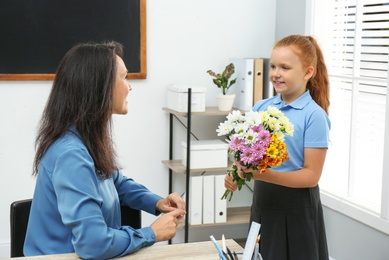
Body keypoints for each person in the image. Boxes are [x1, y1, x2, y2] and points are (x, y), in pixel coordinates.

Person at [24, 41, 186, 260]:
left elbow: (115, 182)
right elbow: (93, 244)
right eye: (124, 77)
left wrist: (156, 202)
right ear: (100, 86)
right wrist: (152, 233)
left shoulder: (86, 138)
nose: (130, 86)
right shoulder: (71, 154)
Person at [224, 35, 330, 260]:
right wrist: (236, 171)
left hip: (297, 211)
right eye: (273, 66)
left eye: (285, 67)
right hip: (263, 205)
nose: (275, 73)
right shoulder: (261, 107)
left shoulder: (314, 116)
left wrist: (264, 175)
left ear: (308, 72)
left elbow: (311, 176)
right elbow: (245, 154)